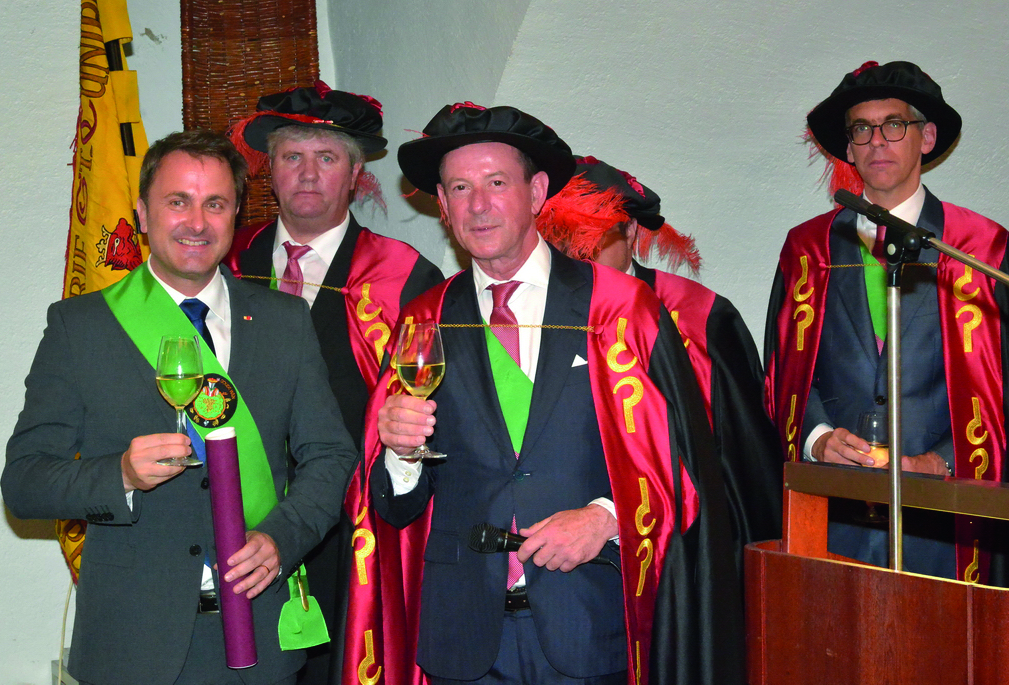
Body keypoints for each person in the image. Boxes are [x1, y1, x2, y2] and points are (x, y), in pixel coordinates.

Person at [344, 103, 743, 685]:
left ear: (536, 193)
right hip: (463, 636)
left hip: (591, 624)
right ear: (443, 206)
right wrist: (401, 458)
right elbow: (393, 506)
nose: (478, 204)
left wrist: (604, 518)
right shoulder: (423, 319)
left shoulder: (619, 309)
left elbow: (684, 467)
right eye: (460, 187)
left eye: (496, 183)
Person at [2, 130, 359, 685]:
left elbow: (332, 456)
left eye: (215, 203)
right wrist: (117, 474)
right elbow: (23, 483)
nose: (197, 222)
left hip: (260, 638)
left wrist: (282, 538)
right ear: (142, 213)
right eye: (178, 202)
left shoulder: (285, 323)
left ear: (235, 214)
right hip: (131, 646)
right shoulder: (81, 328)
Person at [226, 82, 443, 684]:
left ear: (355, 174)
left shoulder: (404, 277)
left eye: (327, 158)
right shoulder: (226, 262)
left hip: (353, 526)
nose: (308, 174)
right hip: (240, 521)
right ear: (269, 169)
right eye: (292, 156)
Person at [764, 60, 1009, 582]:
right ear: (849, 148)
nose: (878, 141)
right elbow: (780, 369)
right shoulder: (807, 250)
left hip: (947, 516)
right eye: (862, 129)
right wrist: (816, 438)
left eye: (894, 125)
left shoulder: (979, 249)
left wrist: (941, 461)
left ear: (926, 137)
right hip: (834, 515)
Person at [536, 155, 782, 571]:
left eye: (591, 234)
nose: (574, 251)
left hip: (682, 551)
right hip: (558, 548)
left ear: (630, 228)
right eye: (562, 236)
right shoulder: (529, 315)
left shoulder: (700, 317)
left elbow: (745, 463)